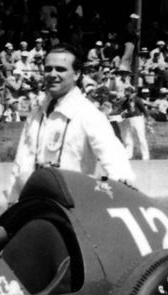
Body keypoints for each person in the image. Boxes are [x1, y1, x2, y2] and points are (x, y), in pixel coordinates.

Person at [10, 44, 134, 197]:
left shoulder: (88, 113)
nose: (52, 74)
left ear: (76, 74)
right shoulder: (36, 113)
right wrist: (12, 198)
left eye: (61, 69)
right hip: (33, 204)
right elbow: (21, 160)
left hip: (73, 206)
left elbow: (113, 154)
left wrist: (123, 181)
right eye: (48, 69)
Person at [117, 86, 149, 160]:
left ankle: (145, 156)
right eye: (125, 91)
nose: (125, 92)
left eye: (127, 91)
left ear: (131, 92)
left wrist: (147, 120)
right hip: (129, 119)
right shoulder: (126, 101)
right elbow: (121, 109)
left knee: (141, 137)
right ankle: (128, 155)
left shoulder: (137, 100)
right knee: (128, 137)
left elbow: (144, 110)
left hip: (137, 119)